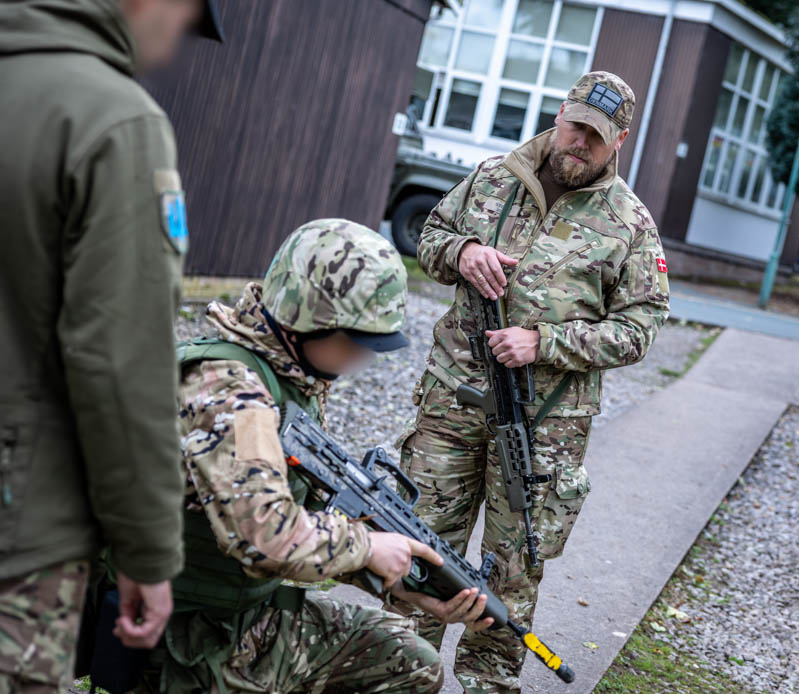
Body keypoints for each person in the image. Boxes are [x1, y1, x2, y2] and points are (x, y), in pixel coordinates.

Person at [400, 71, 671, 693]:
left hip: (543, 426)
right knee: (421, 545)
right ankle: (398, 671)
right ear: (561, 112)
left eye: (597, 138)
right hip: (452, 397)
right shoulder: (495, 176)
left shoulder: (630, 224)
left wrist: (545, 343)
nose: (579, 144)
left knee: (512, 570)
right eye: (575, 126)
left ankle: (486, 683)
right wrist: (464, 250)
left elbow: (641, 327)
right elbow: (430, 236)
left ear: (620, 140)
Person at [141, 219, 491, 694]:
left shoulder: (287, 375)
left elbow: (300, 518)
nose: (359, 360)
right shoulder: (232, 393)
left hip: (240, 610)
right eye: (354, 342)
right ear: (305, 318)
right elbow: (265, 535)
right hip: (180, 635)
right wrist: (368, 548)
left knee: (407, 661)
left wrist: (395, 583)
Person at [0, 0, 222, 690]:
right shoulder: (111, 118)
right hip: (22, 541)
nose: (172, 42)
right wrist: (148, 553)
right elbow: (120, 363)